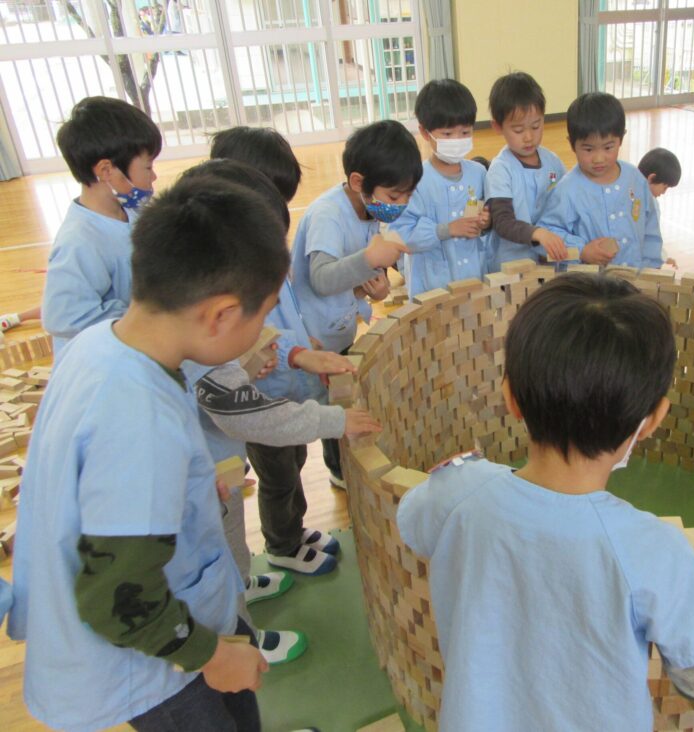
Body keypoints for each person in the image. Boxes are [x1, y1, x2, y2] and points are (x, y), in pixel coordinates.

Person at [397, 273, 694, 731]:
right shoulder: (653, 549)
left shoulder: (458, 490)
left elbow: (411, 523)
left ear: (510, 397)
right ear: (653, 419)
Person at [8, 176, 289, 730]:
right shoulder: (139, 414)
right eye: (263, 314)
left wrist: (186, 486)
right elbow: (117, 596)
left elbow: (99, 481)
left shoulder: (100, 342)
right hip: (153, 666)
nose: (265, 328)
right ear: (220, 315)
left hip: (174, 619)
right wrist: (212, 654)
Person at [178, 159, 381, 663]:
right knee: (214, 557)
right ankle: (239, 638)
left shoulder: (194, 304)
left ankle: (241, 587)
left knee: (229, 548)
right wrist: (335, 420)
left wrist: (295, 353)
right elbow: (252, 414)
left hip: (214, 466)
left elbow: (259, 339)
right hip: (200, 478)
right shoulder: (199, 347)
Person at [289, 120, 420, 489]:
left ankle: (341, 464)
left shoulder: (368, 209)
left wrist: (373, 291)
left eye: (407, 196)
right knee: (327, 408)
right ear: (359, 181)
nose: (400, 205)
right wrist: (370, 259)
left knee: (341, 400)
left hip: (339, 327)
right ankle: (338, 471)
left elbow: (354, 276)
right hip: (314, 339)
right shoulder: (328, 214)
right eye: (394, 196)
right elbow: (322, 278)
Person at [42, 96, 162, 359]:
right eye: (148, 166)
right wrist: (139, 315)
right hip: (103, 360)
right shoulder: (80, 240)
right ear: (107, 170)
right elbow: (63, 317)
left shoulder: (132, 212)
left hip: (139, 345)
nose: (153, 176)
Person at [536, 92, 663, 269]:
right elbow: (545, 237)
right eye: (588, 149)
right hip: (591, 283)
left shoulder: (635, 178)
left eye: (608, 147)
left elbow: (650, 228)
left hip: (635, 278)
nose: (599, 158)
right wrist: (581, 250)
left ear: (621, 139)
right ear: (572, 144)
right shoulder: (568, 190)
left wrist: (652, 268)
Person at [390, 79, 491, 295]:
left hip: (473, 278)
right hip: (431, 287)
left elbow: (484, 219)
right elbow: (398, 235)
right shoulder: (414, 180)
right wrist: (445, 230)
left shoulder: (479, 173)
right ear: (425, 132)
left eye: (465, 132)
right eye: (447, 134)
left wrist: (486, 222)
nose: (457, 140)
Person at [484, 71, 568, 267]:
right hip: (512, 264)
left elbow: (568, 203)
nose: (529, 137)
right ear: (497, 127)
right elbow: (503, 222)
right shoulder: (500, 169)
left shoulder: (553, 162)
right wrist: (537, 233)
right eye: (518, 130)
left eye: (536, 126)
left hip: (550, 259)